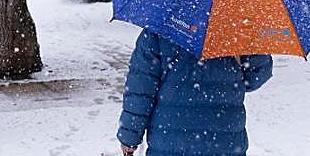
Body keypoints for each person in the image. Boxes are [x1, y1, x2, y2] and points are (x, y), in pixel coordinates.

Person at [117, 29, 273, 156]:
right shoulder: (238, 25)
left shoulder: (159, 29)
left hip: (170, 138)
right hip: (224, 137)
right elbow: (256, 77)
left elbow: (141, 90)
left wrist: (130, 136)